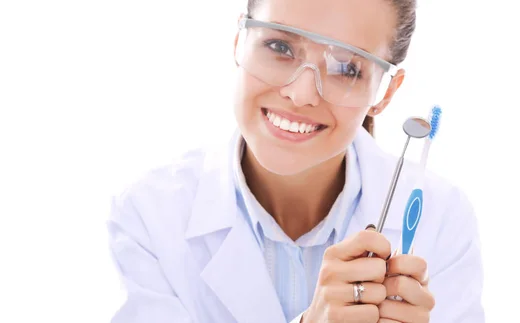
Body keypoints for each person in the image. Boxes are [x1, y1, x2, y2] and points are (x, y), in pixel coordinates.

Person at [107, 0, 485, 322]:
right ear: (240, 40)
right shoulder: (148, 216)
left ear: (385, 93)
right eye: (280, 47)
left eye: (346, 68)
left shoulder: (442, 220)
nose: (302, 94)